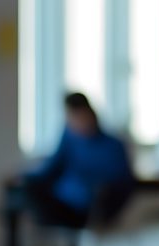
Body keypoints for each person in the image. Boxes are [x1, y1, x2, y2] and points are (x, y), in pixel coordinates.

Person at [21, 92, 134, 228]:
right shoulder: (69, 137)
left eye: (78, 116)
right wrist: (26, 177)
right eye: (71, 118)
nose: (74, 122)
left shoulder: (113, 146)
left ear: (91, 114)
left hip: (91, 207)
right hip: (63, 199)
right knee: (29, 187)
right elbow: (52, 166)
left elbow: (122, 180)